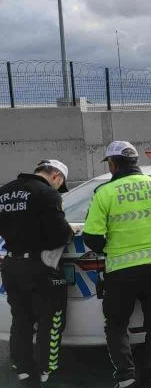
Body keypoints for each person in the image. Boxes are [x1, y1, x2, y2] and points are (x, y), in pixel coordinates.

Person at [81, 141, 151, 388]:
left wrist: (110, 248)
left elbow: (92, 238)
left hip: (120, 273)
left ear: (113, 164)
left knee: (116, 325)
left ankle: (126, 377)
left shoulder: (104, 193)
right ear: (135, 161)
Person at [0, 160, 73, 384]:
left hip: (11, 265)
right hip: (40, 266)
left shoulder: (4, 192)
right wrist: (70, 230)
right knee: (50, 318)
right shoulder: (47, 193)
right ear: (56, 176)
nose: (58, 187)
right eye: (60, 183)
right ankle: (45, 370)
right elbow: (61, 235)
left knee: (21, 318)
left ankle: (21, 367)